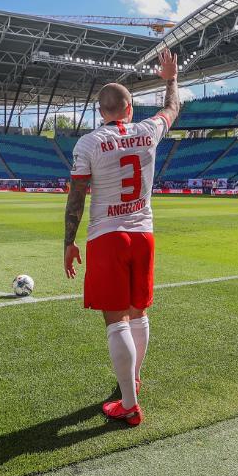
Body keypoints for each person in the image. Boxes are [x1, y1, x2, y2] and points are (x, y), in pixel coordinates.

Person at [62, 48, 180, 427]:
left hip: (107, 237)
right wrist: (169, 79)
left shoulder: (88, 143)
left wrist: (69, 241)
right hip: (143, 233)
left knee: (116, 321)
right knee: (139, 313)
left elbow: (76, 196)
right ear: (129, 108)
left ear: (102, 112)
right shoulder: (148, 131)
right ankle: (133, 381)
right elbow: (173, 109)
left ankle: (128, 403)